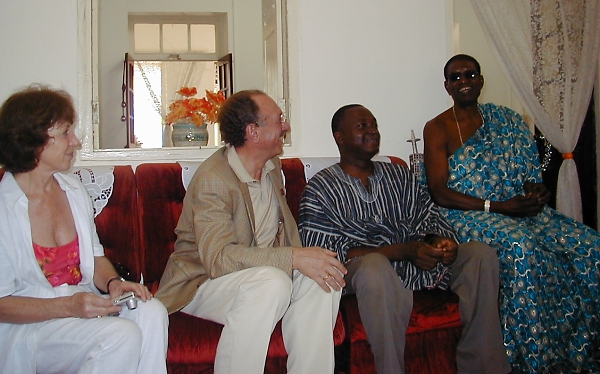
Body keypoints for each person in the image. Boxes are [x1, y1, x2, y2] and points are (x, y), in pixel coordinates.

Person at [298, 104, 510, 374]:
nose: (372, 131)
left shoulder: (399, 175)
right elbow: (324, 256)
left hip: (415, 264)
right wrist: (402, 251)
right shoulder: (320, 188)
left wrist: (439, 242)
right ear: (339, 137)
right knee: (374, 266)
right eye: (362, 126)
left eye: (374, 124)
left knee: (480, 255)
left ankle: (483, 366)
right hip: (361, 273)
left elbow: (428, 218)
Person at [423, 53, 600, 373]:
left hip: (519, 209)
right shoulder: (437, 127)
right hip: (467, 215)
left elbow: (530, 176)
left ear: (480, 80)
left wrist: (537, 193)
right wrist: (497, 207)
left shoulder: (508, 120)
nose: (464, 81)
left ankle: (581, 347)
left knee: (589, 244)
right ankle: (532, 357)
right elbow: (439, 192)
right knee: (521, 246)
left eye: (470, 74)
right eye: (456, 77)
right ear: (447, 86)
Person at [155, 89, 347, 374]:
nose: (286, 126)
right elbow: (218, 259)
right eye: (279, 120)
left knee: (324, 277)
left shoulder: (271, 166)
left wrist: (307, 261)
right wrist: (294, 257)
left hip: (260, 276)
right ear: (253, 132)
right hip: (202, 282)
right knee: (272, 282)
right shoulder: (213, 179)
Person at [0, 85, 168, 374]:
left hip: (79, 307)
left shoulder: (73, 189)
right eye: (65, 133)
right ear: (33, 140)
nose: (75, 142)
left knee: (152, 311)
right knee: (120, 335)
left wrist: (114, 284)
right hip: (30, 327)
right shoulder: (4, 207)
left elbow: (95, 257)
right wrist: (70, 307)